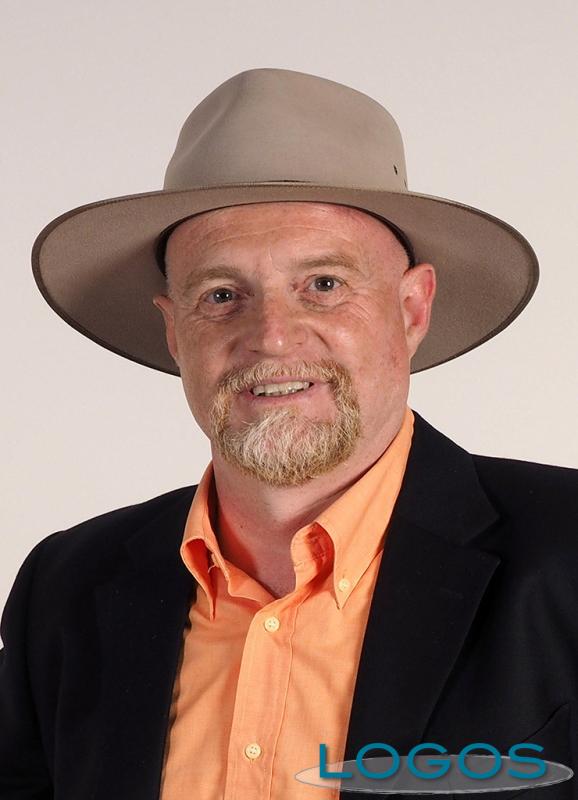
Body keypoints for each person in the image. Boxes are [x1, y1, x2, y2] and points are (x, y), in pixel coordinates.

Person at [1, 68, 576, 800]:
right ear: (174, 332)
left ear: (412, 308)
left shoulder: (566, 557)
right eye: (221, 295)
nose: (272, 336)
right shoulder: (66, 590)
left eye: (324, 285)